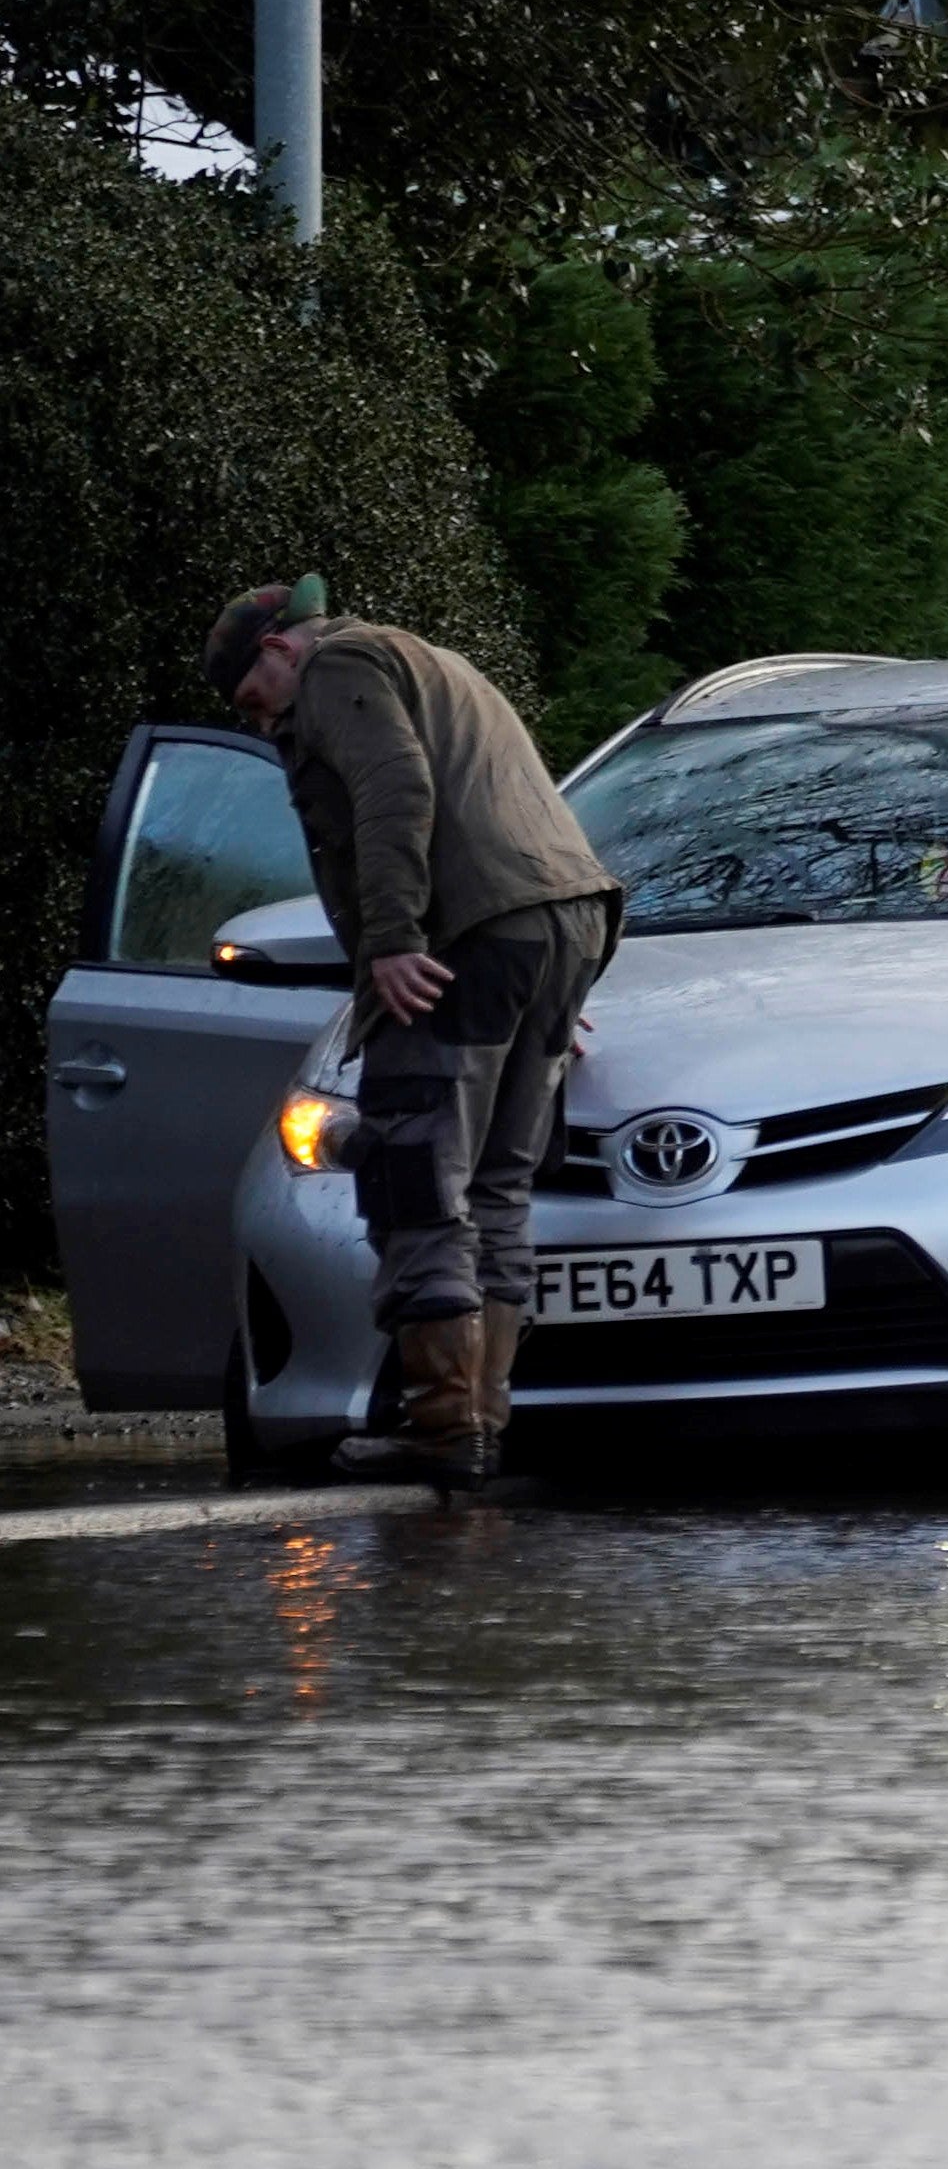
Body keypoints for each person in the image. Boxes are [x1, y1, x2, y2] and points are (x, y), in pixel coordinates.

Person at [205, 576, 621, 1486]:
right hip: (558, 924)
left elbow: (394, 789)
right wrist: (542, 973)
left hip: (464, 939)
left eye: (252, 700)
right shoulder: (436, 662)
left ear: (280, 650)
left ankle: (444, 1429)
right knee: (499, 1186)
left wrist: (393, 940)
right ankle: (480, 1420)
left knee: (415, 1177)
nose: (260, 725)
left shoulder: (340, 664)